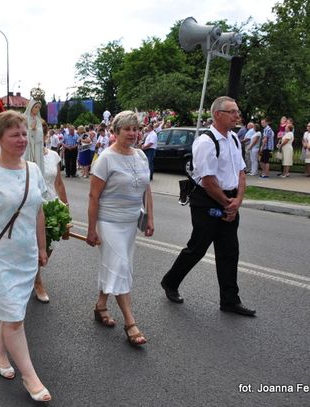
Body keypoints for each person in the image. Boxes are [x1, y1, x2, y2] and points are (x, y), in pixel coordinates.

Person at [0, 110, 51, 402]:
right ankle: (31, 377)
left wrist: (42, 247)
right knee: (15, 317)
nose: (22, 139)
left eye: (25, 133)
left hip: (25, 255)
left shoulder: (33, 170)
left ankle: (0, 352)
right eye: (15, 134)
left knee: (13, 310)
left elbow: (38, 211)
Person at [160, 96, 256, 317]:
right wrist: (227, 204)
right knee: (198, 247)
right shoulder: (205, 142)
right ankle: (170, 282)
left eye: (237, 111)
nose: (237, 115)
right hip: (208, 201)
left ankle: (230, 300)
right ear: (217, 114)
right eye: (232, 111)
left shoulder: (233, 139)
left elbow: (241, 172)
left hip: (229, 199)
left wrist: (238, 201)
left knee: (229, 252)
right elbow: (209, 181)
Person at [86, 111, 154, 346]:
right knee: (120, 267)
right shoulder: (105, 158)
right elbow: (94, 196)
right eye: (127, 129)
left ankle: (101, 305)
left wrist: (150, 219)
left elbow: (146, 189)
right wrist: (91, 229)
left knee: (115, 266)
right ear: (115, 132)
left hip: (130, 223)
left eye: (135, 129)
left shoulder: (141, 156)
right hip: (109, 222)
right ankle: (130, 322)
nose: (133, 134)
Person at [34, 120, 69, 303]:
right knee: (35, 245)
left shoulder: (54, 156)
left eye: (42, 133)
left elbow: (58, 182)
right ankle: (37, 281)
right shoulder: (26, 157)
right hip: (34, 206)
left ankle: (33, 273)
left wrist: (66, 206)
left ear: (46, 135)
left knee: (49, 247)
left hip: (52, 205)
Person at [24, 99, 45, 176]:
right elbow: (22, 132)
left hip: (36, 147)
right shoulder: (24, 118)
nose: (37, 109)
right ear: (31, 107)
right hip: (27, 146)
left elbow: (41, 135)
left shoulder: (38, 120)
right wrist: (30, 130)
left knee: (37, 165)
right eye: (36, 107)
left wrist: (35, 130)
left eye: (39, 107)